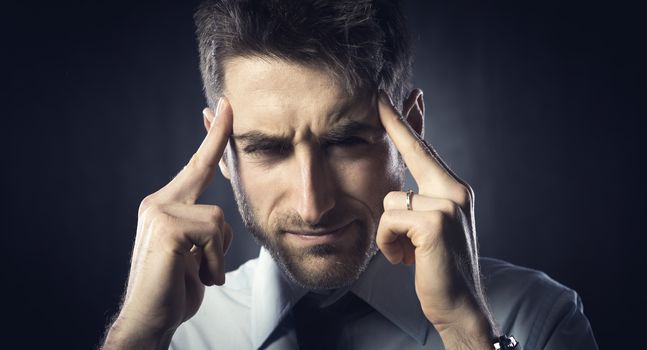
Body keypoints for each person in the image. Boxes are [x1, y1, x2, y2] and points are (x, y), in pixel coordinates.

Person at [102, 0, 598, 349]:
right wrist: (135, 339)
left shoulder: (537, 321)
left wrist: (467, 335)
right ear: (222, 152)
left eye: (344, 142)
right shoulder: (177, 337)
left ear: (413, 127)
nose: (312, 205)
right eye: (267, 149)